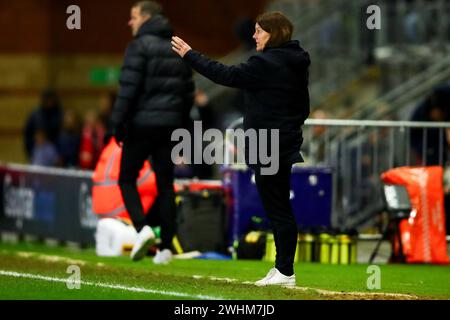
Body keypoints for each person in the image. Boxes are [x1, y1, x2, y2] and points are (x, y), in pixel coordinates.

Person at [172, 11, 310, 286]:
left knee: (277, 209)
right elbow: (303, 107)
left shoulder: (265, 62)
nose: (254, 36)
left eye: (259, 31)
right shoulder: (296, 61)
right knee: (279, 207)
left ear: (273, 33)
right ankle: (283, 268)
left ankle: (285, 272)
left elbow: (226, 75)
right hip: (283, 142)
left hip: (268, 144)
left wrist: (190, 55)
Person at [111, 1, 195, 264]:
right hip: (170, 126)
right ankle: (167, 247)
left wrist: (117, 123)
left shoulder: (139, 47)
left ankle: (142, 228)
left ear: (146, 17)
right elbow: (187, 93)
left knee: (126, 178)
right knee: (165, 183)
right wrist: (181, 126)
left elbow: (128, 89)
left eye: (133, 17)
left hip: (141, 124)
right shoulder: (177, 46)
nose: (129, 22)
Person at [24, 89, 64, 162]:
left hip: (55, 152)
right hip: (37, 150)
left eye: (51, 100)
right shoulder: (35, 115)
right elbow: (28, 134)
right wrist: (30, 151)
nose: (50, 102)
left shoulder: (60, 114)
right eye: (47, 100)